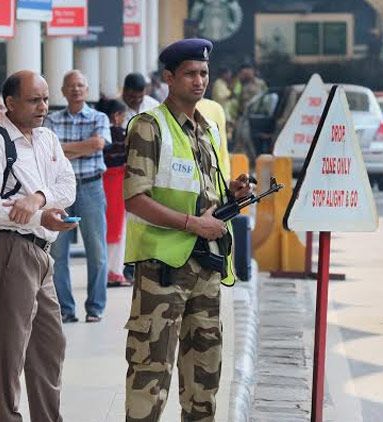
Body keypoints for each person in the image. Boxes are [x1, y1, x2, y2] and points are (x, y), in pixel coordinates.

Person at [122, 38, 251, 421]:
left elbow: (202, 190)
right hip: (162, 270)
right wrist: (193, 223)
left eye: (204, 74)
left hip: (205, 268)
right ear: (168, 78)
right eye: (190, 74)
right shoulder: (149, 127)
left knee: (204, 376)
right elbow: (135, 198)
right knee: (151, 372)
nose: (199, 81)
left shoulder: (207, 128)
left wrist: (232, 192)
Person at [0, 70, 77, 422]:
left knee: (50, 344)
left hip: (44, 254)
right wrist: (36, 216)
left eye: (45, 99)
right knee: (11, 349)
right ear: (10, 104)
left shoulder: (46, 138)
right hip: (11, 250)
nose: (42, 106)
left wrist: (38, 198)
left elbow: (67, 187)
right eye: (34, 100)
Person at [44, 69, 111, 323]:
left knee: (97, 252)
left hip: (91, 188)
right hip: (59, 191)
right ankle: (66, 310)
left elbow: (99, 144)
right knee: (58, 253)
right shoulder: (51, 120)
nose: (76, 89)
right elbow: (49, 153)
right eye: (71, 85)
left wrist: (63, 151)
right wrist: (84, 147)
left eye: (80, 85)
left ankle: (95, 308)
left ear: (87, 89)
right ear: (62, 91)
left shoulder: (99, 117)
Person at [96, 96, 132, 288]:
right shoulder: (121, 134)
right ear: (117, 116)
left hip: (103, 180)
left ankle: (107, 271)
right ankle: (115, 272)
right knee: (119, 227)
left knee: (106, 226)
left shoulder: (100, 133)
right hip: (118, 181)